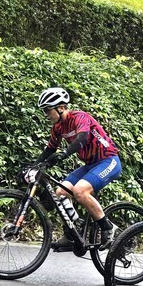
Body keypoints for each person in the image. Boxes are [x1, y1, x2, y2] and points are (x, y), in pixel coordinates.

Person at [34, 87, 122, 254]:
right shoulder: (58, 127)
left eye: (47, 110)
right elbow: (50, 149)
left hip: (108, 160)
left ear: (61, 108)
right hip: (90, 164)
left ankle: (107, 227)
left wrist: (64, 154)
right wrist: (34, 165)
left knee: (80, 191)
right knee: (60, 192)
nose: (46, 114)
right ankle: (71, 234)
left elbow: (82, 138)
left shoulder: (80, 117)